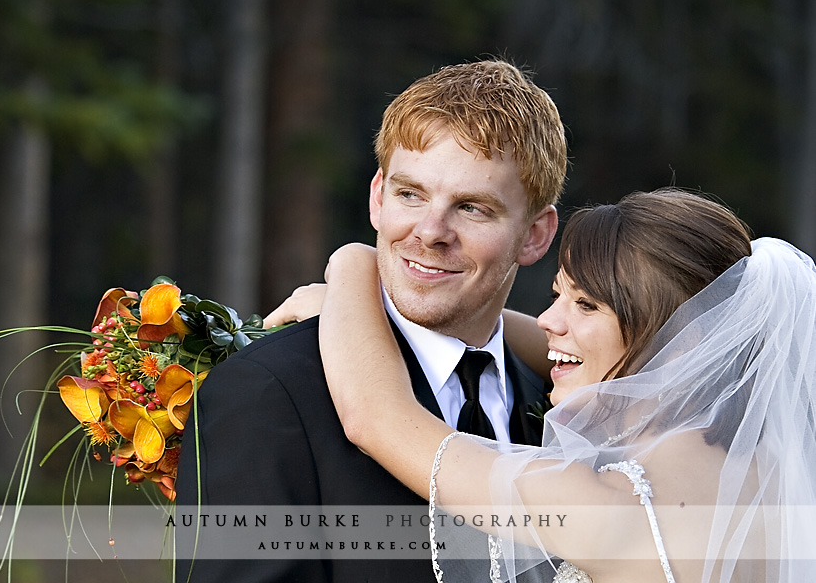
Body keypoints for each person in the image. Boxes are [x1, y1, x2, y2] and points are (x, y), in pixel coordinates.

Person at [174, 58, 568, 582]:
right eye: (411, 194)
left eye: (472, 208)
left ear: (536, 235)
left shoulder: (567, 403)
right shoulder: (271, 390)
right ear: (378, 197)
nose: (430, 232)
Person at [306, 188, 816, 582]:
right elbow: (567, 347)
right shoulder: (765, 474)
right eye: (558, 295)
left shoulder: (603, 503)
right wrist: (412, 311)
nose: (549, 320)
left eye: (585, 304)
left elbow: (376, 417)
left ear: (685, 344)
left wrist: (356, 267)